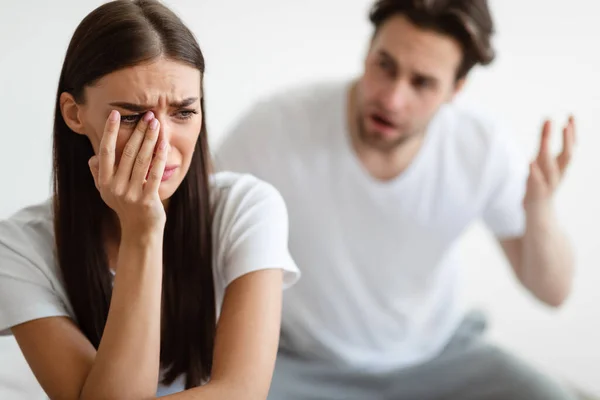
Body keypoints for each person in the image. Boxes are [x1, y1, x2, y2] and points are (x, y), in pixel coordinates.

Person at [215, 0, 578, 399]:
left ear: (455, 90)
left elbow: (552, 291)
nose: (391, 98)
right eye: (384, 65)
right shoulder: (276, 127)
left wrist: (540, 211)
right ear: (367, 51)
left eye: (421, 82)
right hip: (302, 364)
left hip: (438, 361)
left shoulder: (481, 149)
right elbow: (194, 230)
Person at [0, 1, 299, 399]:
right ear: (75, 114)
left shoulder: (247, 209)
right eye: (129, 117)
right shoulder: (19, 248)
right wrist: (143, 232)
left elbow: (242, 392)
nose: (159, 143)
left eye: (183, 113)